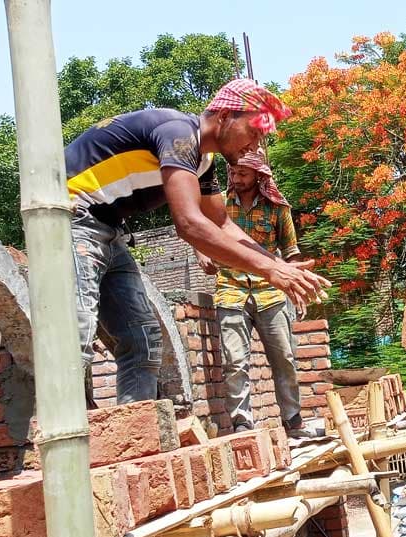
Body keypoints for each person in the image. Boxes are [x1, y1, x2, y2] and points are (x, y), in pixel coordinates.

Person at [64, 79, 330, 406]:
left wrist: (276, 266)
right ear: (224, 117)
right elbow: (189, 224)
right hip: (69, 217)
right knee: (75, 335)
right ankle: (67, 442)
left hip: (107, 228)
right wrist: (270, 271)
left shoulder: (202, 161)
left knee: (143, 342)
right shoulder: (178, 134)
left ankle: (133, 440)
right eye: (255, 131)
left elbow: (221, 223)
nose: (256, 145)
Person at [194, 149, 316, 437]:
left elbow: (292, 253)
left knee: (284, 358)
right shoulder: (218, 204)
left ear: (259, 176)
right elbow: (194, 227)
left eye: (243, 174)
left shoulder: (277, 208)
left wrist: (296, 286)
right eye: (233, 173)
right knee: (234, 361)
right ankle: (242, 424)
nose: (236, 178)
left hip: (270, 292)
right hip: (230, 289)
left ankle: (293, 422)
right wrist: (200, 252)